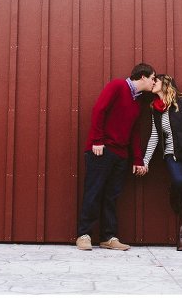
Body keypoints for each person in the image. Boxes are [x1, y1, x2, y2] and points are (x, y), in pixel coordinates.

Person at [75, 63, 155, 251]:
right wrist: (97, 140)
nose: (154, 82)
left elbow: (135, 133)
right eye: (152, 78)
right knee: (93, 192)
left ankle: (108, 238)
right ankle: (84, 235)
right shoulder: (118, 86)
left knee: (111, 196)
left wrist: (137, 159)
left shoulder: (137, 102)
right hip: (101, 150)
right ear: (142, 76)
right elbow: (99, 110)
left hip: (121, 155)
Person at [143, 74, 182, 251]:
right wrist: (146, 160)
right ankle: (174, 191)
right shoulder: (155, 109)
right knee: (179, 181)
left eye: (156, 81)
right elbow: (155, 136)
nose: (153, 83)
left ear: (165, 84)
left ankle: (181, 238)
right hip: (171, 154)